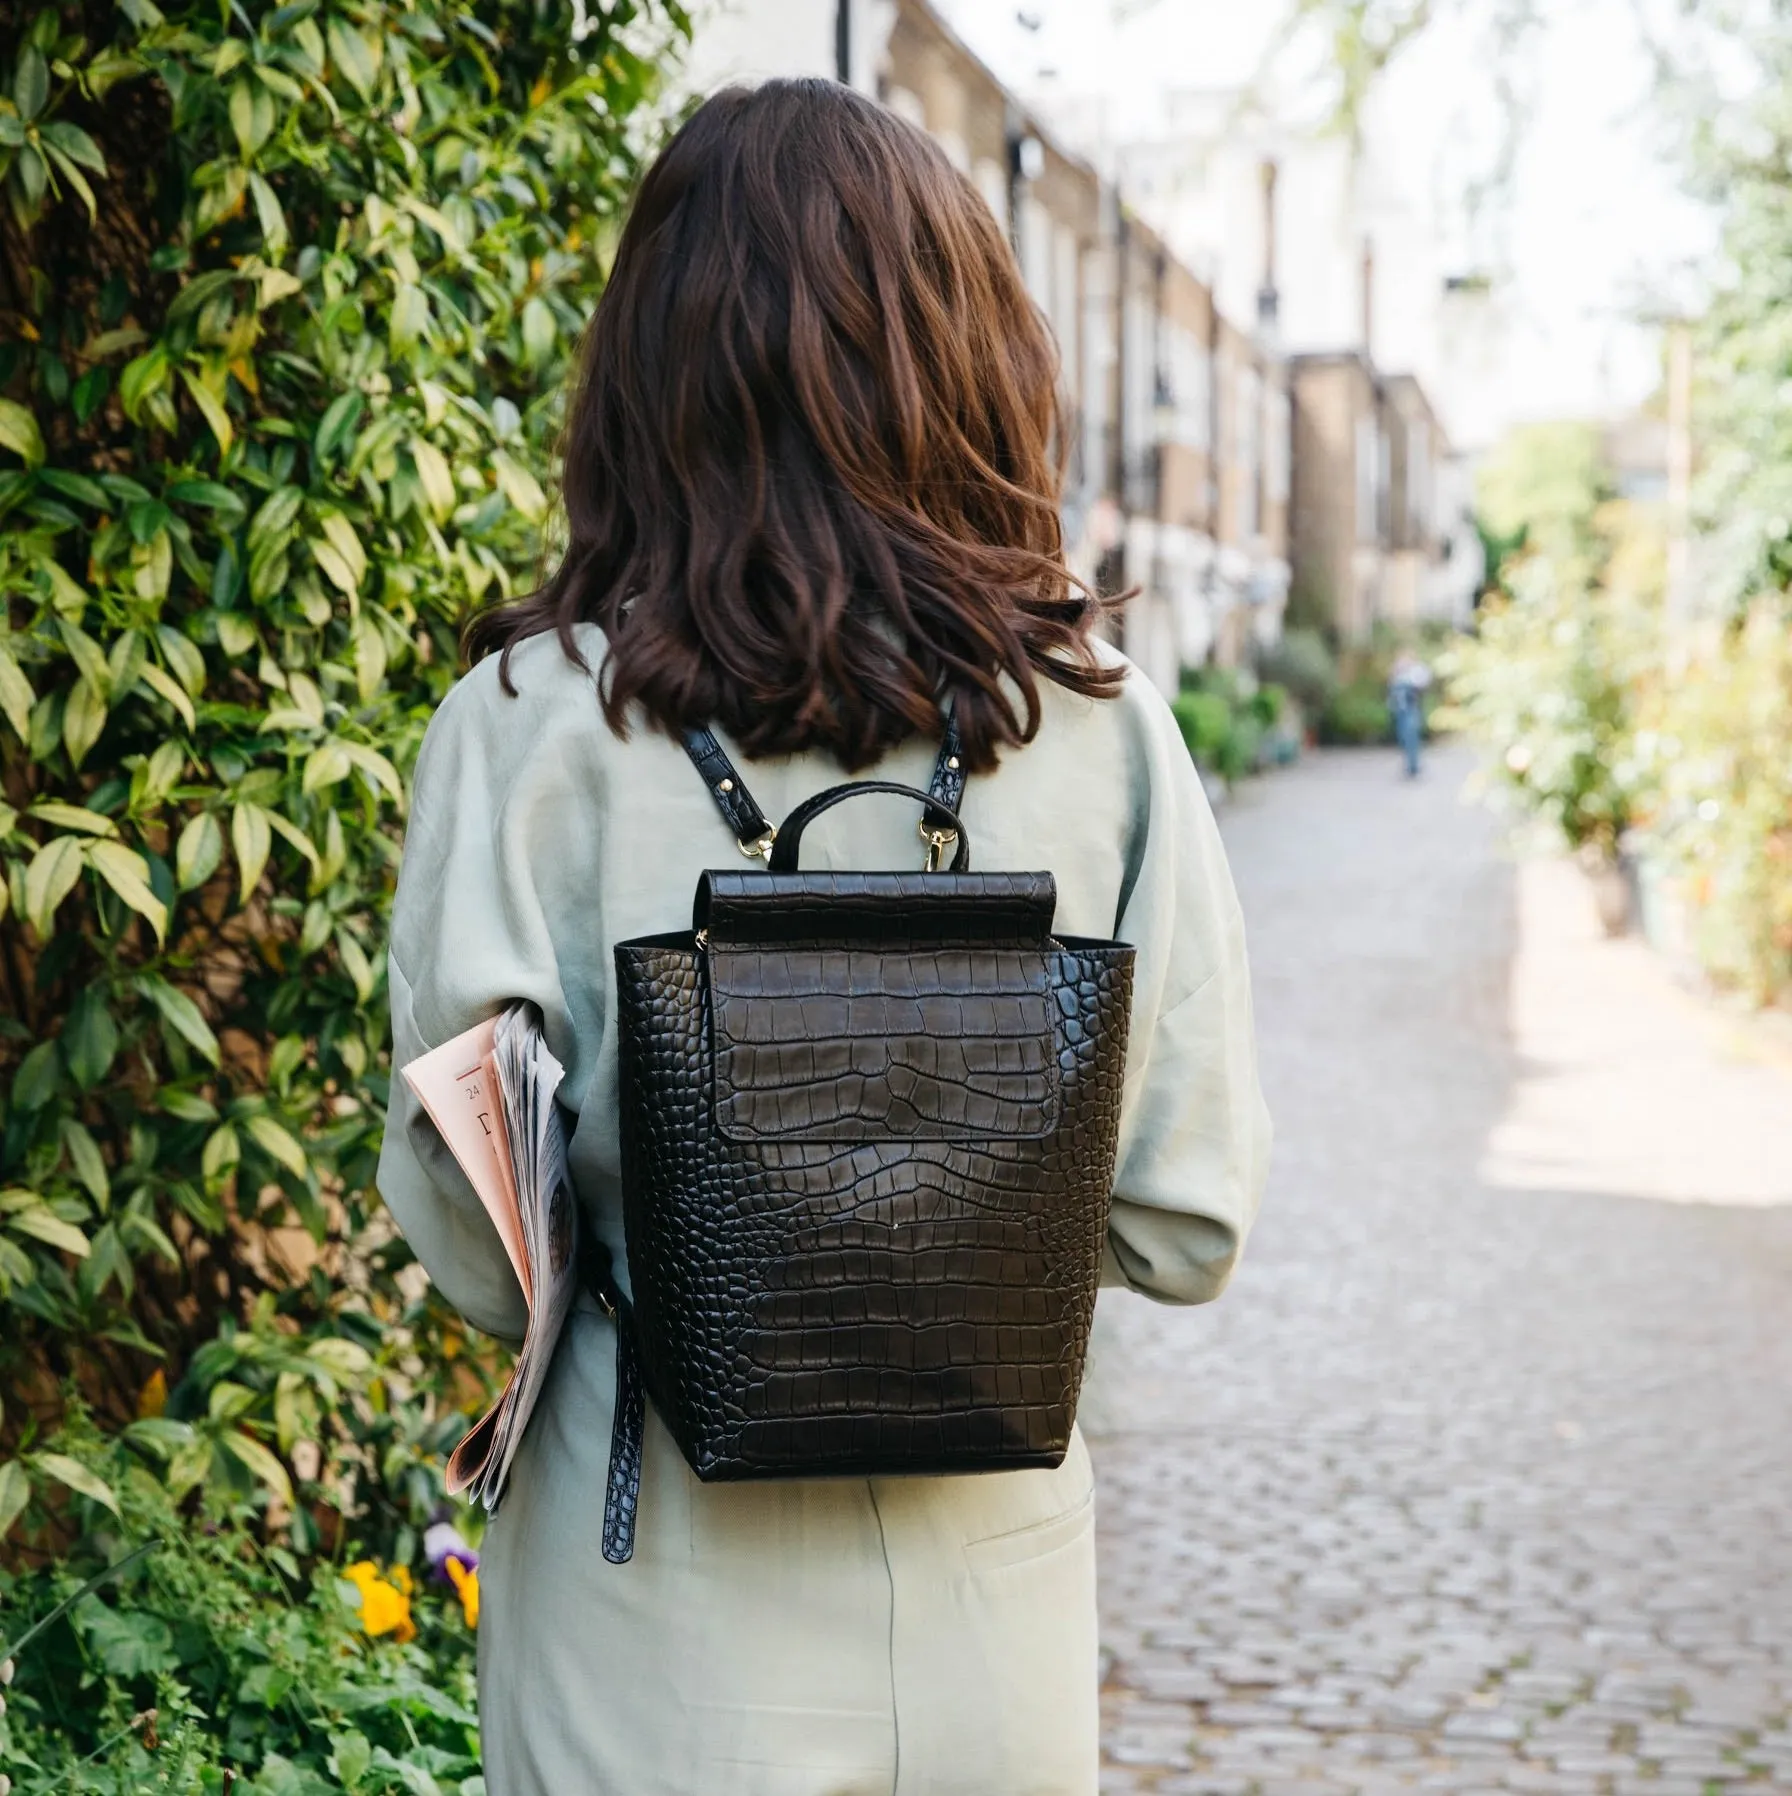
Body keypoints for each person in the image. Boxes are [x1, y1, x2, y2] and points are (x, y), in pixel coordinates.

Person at [377, 79, 1270, 1796]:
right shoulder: (1099, 725)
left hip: (648, 1612)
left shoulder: (523, 729)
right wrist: (937, 1245)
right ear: (971, 357)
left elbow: (481, 1247)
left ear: (648, 375)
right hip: (987, 1612)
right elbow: (1184, 1214)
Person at [1388, 648, 1433, 778]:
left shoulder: (1417, 671)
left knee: (1411, 737)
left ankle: (1413, 766)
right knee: (1403, 738)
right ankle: (1408, 764)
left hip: (1412, 709)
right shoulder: (1398, 672)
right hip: (1400, 710)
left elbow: (1421, 685)